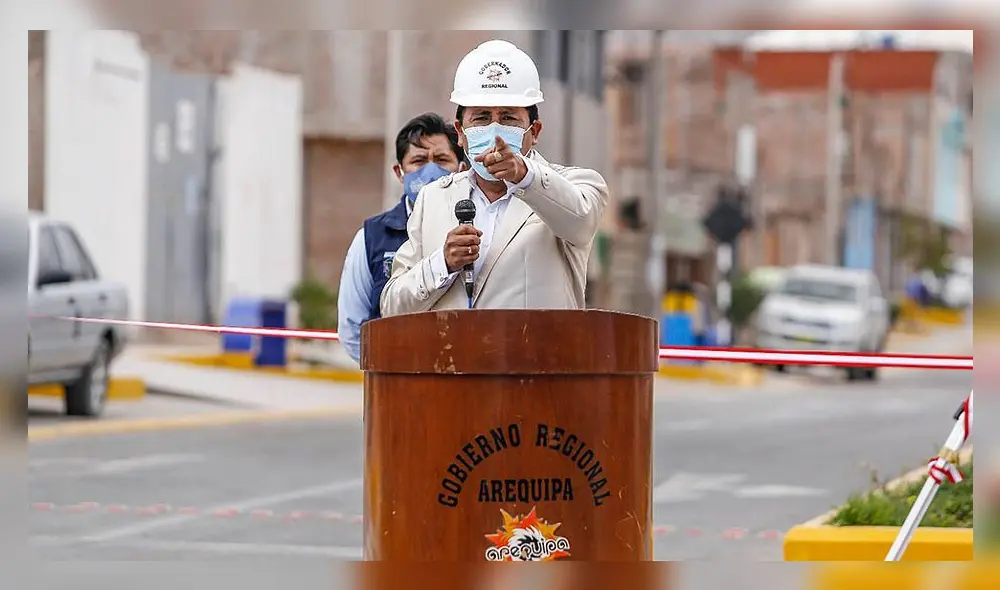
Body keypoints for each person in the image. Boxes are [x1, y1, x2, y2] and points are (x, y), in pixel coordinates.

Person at [380, 40, 608, 316]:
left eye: (509, 118)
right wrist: (442, 263)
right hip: (453, 358)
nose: (495, 131)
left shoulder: (575, 185)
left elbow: (580, 221)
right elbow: (392, 305)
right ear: (460, 132)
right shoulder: (434, 198)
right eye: (482, 118)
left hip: (537, 357)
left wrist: (525, 176)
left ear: (534, 131)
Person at [337, 113, 466, 364]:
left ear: (461, 169)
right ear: (400, 172)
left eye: (441, 160)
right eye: (418, 161)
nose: (430, 171)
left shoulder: (476, 228)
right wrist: (386, 373)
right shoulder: (372, 237)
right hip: (396, 386)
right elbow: (352, 328)